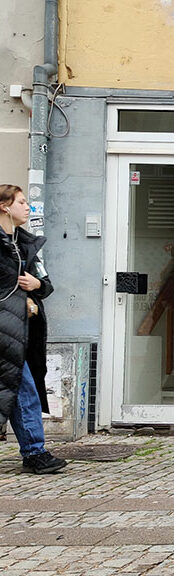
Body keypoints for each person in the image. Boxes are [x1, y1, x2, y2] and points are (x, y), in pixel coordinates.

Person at [0, 185, 67, 474]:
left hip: (23, 335)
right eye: (22, 202)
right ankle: (34, 453)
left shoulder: (24, 244)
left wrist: (36, 287)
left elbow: (46, 284)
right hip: (5, 332)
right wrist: (20, 297)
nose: (28, 207)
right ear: (5, 207)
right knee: (23, 390)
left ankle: (34, 452)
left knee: (20, 391)